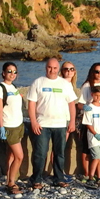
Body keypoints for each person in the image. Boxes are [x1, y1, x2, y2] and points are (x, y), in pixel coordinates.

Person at [27, 58, 77, 189]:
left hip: (60, 124)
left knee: (59, 153)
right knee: (40, 153)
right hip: (42, 124)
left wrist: (72, 121)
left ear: (58, 69)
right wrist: (33, 122)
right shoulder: (38, 82)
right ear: (46, 68)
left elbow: (71, 104)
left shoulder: (65, 84)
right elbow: (31, 104)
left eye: (55, 68)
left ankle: (58, 178)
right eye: (50, 67)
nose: (52, 70)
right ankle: (36, 179)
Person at [0, 62, 24, 195]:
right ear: (3, 73)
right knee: (19, 156)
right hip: (9, 126)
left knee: (11, 154)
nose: (12, 74)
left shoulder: (13, 87)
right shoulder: (0, 88)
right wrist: (1, 127)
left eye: (14, 72)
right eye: (9, 71)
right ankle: (11, 182)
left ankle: (8, 180)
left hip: (18, 125)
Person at [78, 63, 100, 178]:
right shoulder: (87, 86)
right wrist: (85, 107)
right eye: (97, 71)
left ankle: (97, 175)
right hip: (89, 121)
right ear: (92, 72)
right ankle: (87, 174)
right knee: (86, 149)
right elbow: (79, 104)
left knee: (99, 153)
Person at [82, 86, 100, 185]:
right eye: (96, 95)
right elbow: (88, 123)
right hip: (93, 137)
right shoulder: (89, 108)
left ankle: (99, 177)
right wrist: (95, 134)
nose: (98, 98)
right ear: (92, 95)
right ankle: (91, 177)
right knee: (96, 157)